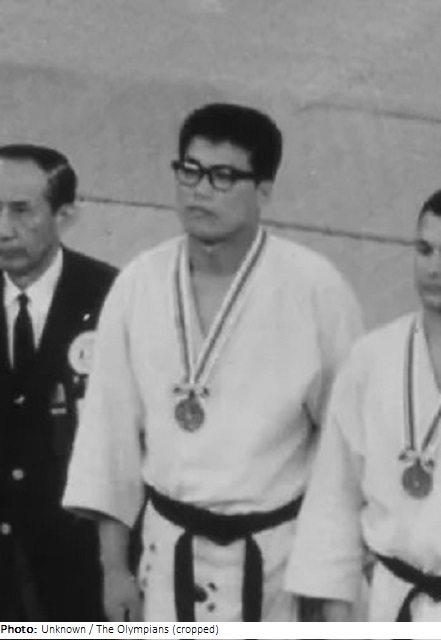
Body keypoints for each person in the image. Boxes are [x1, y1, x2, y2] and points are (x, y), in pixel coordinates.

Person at [63, 102, 362, 622]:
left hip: (278, 563)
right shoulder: (139, 283)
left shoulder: (316, 290)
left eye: (223, 176)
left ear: (263, 190)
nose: (200, 190)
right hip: (166, 557)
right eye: (190, 171)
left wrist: (329, 580)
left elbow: (347, 448)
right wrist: (113, 568)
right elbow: (108, 436)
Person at [287, 189, 441, 621]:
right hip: (388, 603)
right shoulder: (373, 357)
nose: (435, 268)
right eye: (425, 249)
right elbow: (335, 494)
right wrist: (335, 613)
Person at [0, 144, 117, 621]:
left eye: (21, 210)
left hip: (76, 569)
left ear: (65, 215)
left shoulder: (112, 297)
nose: (2, 228)